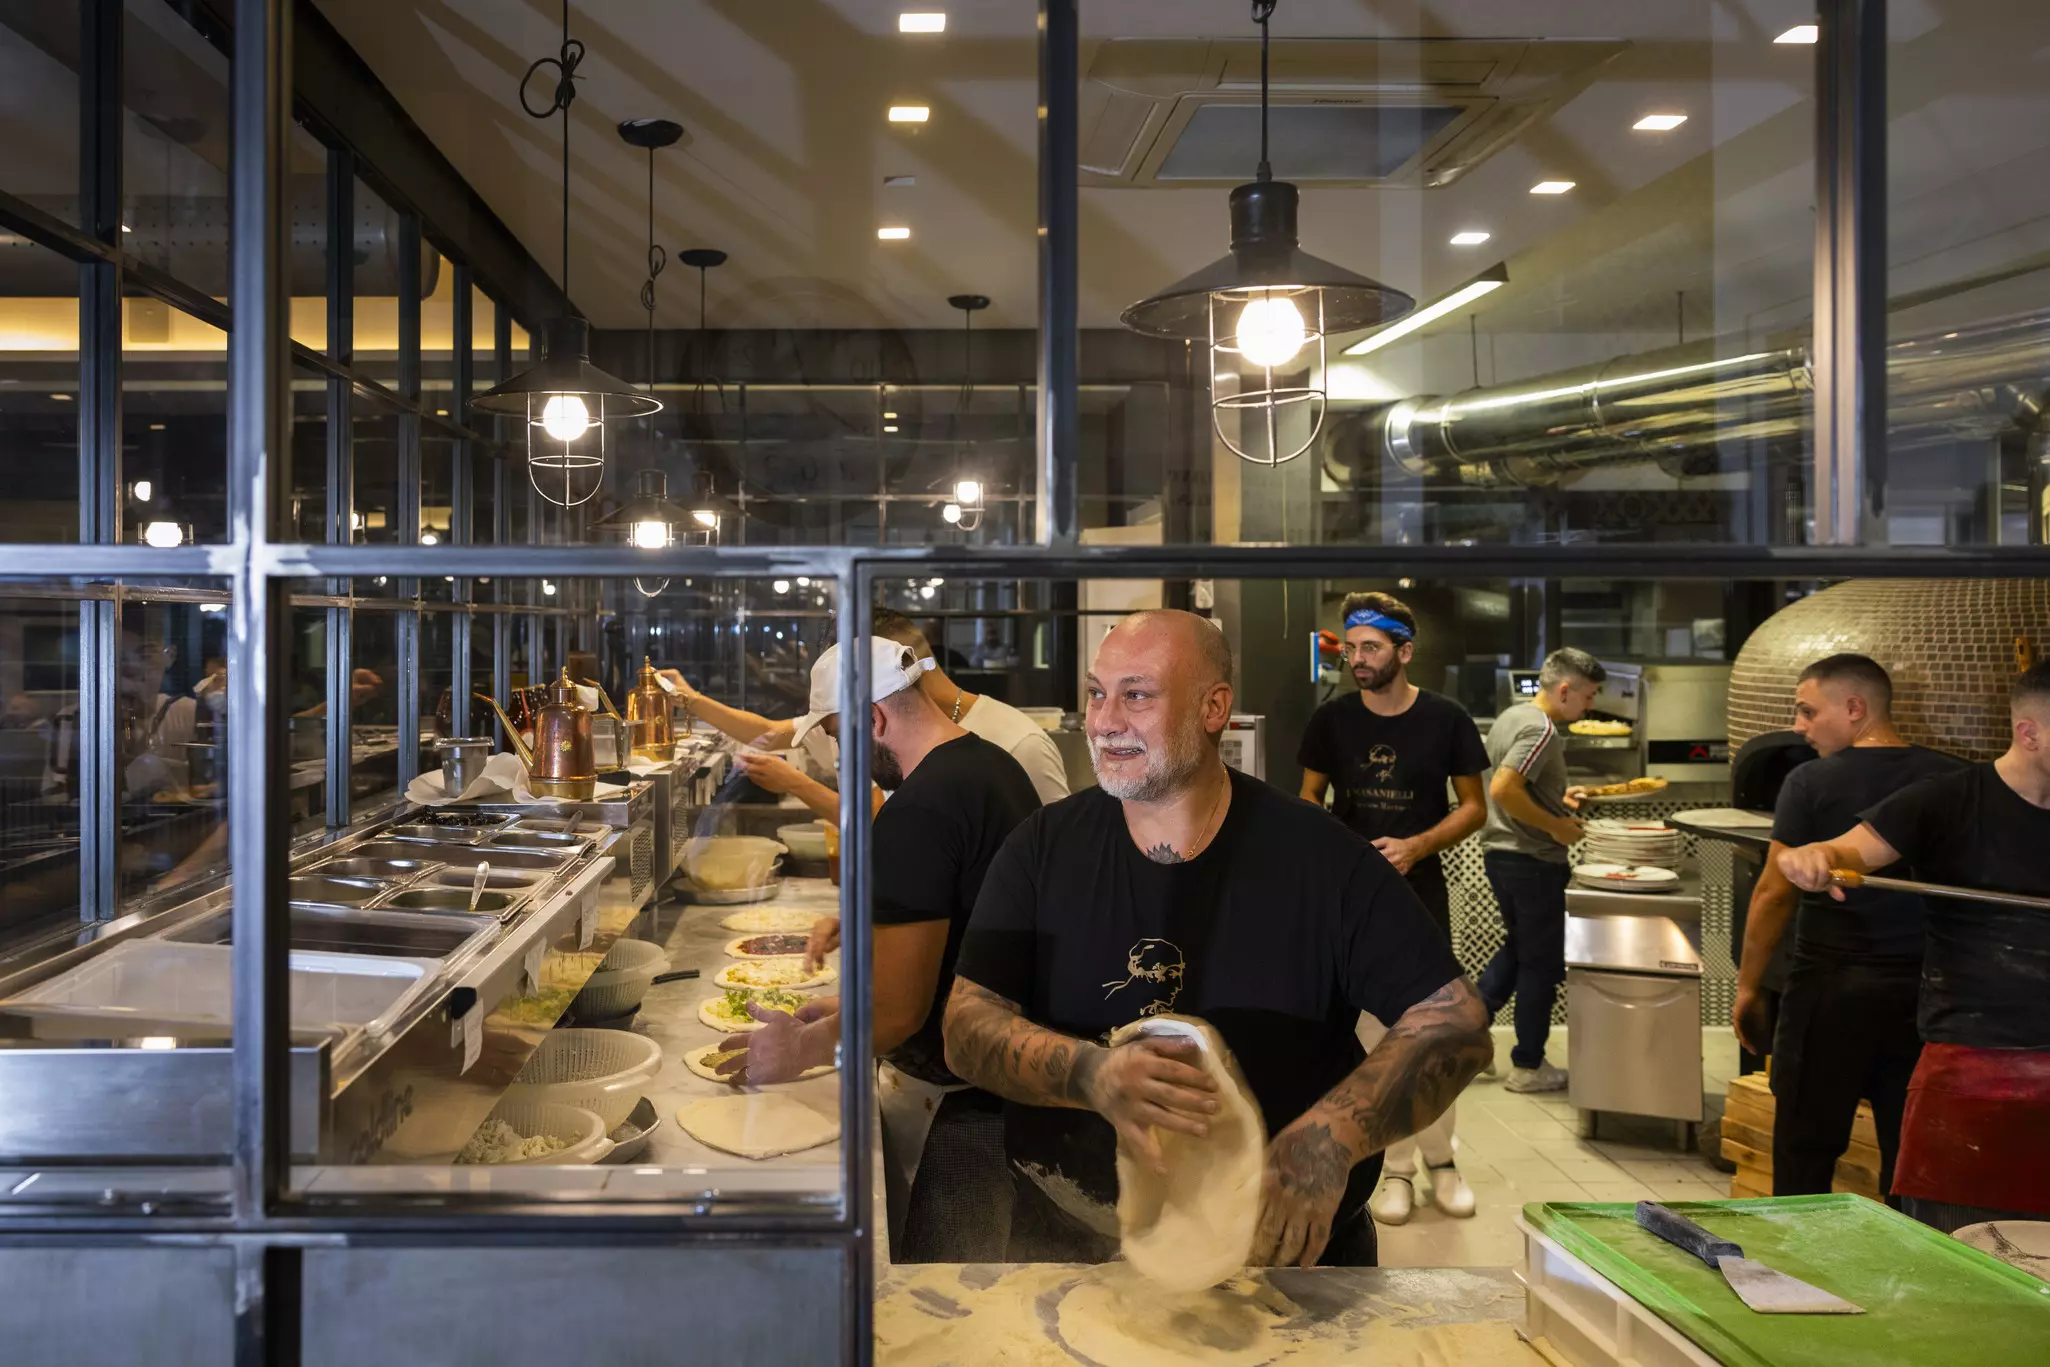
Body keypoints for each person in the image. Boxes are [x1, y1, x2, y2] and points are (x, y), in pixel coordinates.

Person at [943, 609, 1492, 1267]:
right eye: (1096, 693)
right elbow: (966, 1027)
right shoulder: (1042, 849)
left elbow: (1454, 1023)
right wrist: (1089, 1072)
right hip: (1071, 1245)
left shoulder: (1320, 859)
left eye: (1136, 695)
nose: (1104, 720)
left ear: (1213, 708)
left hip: (1285, 1260)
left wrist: (1331, 1137)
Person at [717, 636, 1040, 1261]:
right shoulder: (990, 767)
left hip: (963, 1106)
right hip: (1006, 1086)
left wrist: (799, 1050)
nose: (847, 759)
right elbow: (960, 941)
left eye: (840, 738)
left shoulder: (918, 810)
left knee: (945, 1290)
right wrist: (845, 1012)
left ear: (874, 719)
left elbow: (897, 1014)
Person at [1779, 659, 2050, 1232]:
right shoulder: (1949, 799)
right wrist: (1816, 857)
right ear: (2030, 733)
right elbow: (1848, 850)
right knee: (1956, 1249)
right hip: (1973, 1066)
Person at [1734, 654, 1961, 1200]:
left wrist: (1747, 987)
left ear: (1855, 708)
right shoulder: (1956, 778)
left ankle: (1795, 1251)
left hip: (1830, 990)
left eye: (1808, 711)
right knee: (1909, 1154)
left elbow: (1773, 892)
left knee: (1806, 1149)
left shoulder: (1810, 781)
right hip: (1927, 994)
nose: (1798, 726)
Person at [1298, 591, 1489, 1225]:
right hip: (1351, 899)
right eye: (1351, 648)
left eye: (1371, 648)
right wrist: (1339, 856)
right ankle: (1395, 1168)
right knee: (1370, 1036)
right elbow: (1308, 802)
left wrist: (1415, 846)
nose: (1358, 659)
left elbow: (1474, 808)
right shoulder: (1331, 720)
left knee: (1433, 1030)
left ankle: (1443, 1162)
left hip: (1421, 893)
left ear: (1404, 653)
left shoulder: (1447, 719)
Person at [660, 607, 1070, 816]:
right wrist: (690, 699)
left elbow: (1060, 860)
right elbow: (769, 732)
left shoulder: (1019, 744)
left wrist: (797, 784)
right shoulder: (866, 726)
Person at [1477, 647, 1606, 1093]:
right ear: (1565, 690)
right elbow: (1504, 788)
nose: (1590, 705)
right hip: (1532, 861)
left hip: (1502, 856)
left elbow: (1515, 787)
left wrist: (1557, 801)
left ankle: (1464, 1038)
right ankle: (1528, 1065)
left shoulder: (1512, 716)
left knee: (1519, 951)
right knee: (1541, 964)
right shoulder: (1542, 729)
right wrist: (1556, 827)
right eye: (1588, 695)